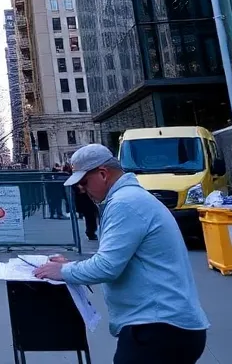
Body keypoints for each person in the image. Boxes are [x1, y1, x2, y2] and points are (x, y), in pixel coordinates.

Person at [34, 144, 208, 364]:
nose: (82, 189)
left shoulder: (125, 204)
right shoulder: (130, 198)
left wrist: (63, 271)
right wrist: (71, 266)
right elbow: (115, 259)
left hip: (157, 328)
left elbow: (107, 266)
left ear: (103, 174)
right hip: (163, 325)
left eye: (84, 182)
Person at [66, 160, 98, 240]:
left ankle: (92, 231)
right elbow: (77, 188)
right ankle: (90, 232)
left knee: (92, 215)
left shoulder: (83, 173)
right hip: (83, 199)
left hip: (88, 198)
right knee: (90, 215)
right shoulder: (74, 176)